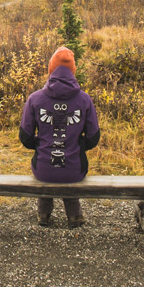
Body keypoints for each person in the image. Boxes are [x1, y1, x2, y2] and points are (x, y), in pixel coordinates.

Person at [19, 46, 100, 228]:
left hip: (43, 169)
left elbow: (25, 137)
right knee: (70, 170)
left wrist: (42, 145)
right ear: (73, 71)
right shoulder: (84, 100)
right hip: (74, 169)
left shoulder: (35, 99)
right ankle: (74, 216)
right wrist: (76, 147)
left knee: (47, 171)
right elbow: (94, 138)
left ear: (50, 69)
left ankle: (44, 214)